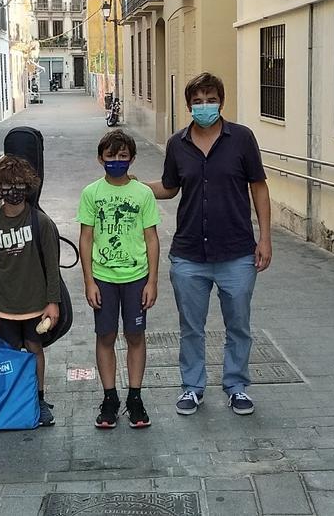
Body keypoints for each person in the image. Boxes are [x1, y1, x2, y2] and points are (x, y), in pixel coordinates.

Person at [147, 72, 272, 416]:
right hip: (189, 254)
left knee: (238, 325)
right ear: (189, 106)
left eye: (210, 99)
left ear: (221, 101)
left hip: (237, 252)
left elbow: (258, 187)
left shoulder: (242, 139)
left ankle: (236, 386)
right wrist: (134, 186)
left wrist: (265, 238)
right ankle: (192, 387)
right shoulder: (177, 144)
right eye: (198, 101)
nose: (205, 106)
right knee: (190, 327)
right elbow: (170, 187)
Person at [78, 130, 160, 429]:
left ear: (132, 158)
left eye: (122, 156)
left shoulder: (142, 194)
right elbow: (85, 239)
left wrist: (152, 281)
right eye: (111, 156)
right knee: (106, 336)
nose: (116, 161)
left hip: (136, 278)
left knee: (136, 336)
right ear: (101, 158)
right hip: (104, 278)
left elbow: (152, 239)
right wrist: (89, 281)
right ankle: (110, 397)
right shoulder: (92, 193)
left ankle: (135, 398)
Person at [0, 156, 62, 427]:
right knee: (10, 353)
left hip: (36, 304)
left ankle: (38, 399)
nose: (12, 190)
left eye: (18, 184)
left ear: (28, 187)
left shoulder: (41, 223)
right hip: (3, 306)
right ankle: (14, 400)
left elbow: (52, 265)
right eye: (6, 185)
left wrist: (53, 302)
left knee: (35, 348)